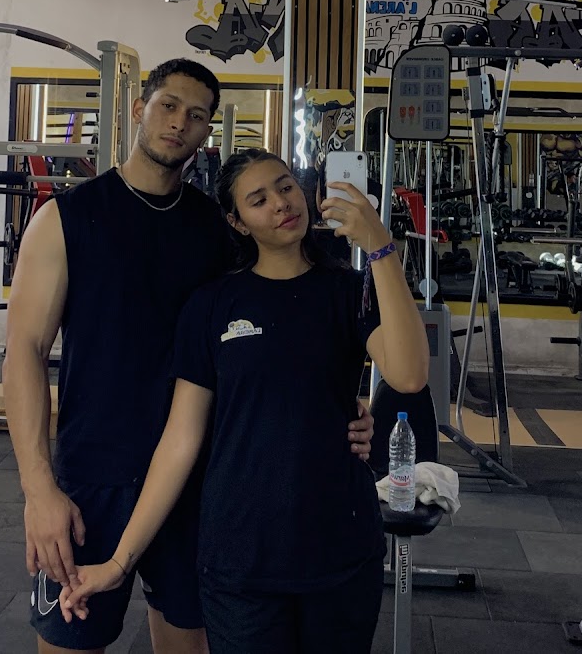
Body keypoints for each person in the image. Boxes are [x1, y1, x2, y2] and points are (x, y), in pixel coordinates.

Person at [2, 58, 375, 654]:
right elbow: (23, 350)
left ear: (207, 131)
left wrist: (341, 403)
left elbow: (278, 325)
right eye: (169, 106)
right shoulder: (66, 218)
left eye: (197, 115)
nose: (180, 122)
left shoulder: (218, 229)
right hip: (92, 477)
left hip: (199, 479)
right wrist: (38, 489)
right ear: (139, 109)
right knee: (69, 641)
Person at [58, 148, 430, 654]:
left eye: (285, 186)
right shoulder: (212, 306)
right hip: (240, 555)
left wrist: (381, 248)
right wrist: (120, 562)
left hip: (338, 544)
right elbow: (180, 440)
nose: (281, 203)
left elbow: (408, 375)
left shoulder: (347, 291)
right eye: (258, 200)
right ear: (236, 222)